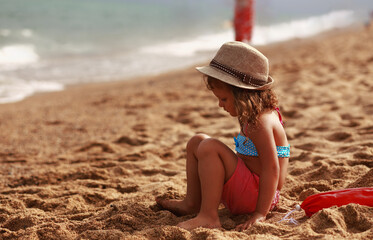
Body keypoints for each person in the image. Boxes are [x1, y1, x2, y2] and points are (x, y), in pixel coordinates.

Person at [156, 41, 290, 231]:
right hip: (251, 187)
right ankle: (192, 203)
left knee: (210, 147)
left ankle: (209, 216)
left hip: (258, 196)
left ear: (243, 95)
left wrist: (260, 213)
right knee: (197, 141)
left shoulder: (260, 123)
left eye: (224, 99)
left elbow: (272, 169)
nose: (220, 105)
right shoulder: (254, 114)